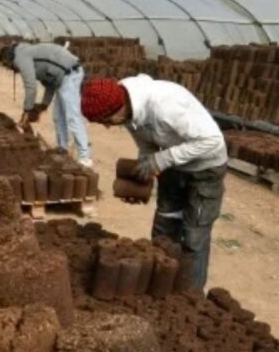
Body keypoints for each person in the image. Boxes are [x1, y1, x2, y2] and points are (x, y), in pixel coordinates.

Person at [80, 75, 228, 291]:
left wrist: (160, 160)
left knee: (194, 236)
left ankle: (191, 294)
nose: (108, 127)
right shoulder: (128, 111)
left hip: (205, 168)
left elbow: (212, 142)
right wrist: (143, 179)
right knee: (164, 227)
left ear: (119, 107)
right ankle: (161, 286)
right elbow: (147, 146)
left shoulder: (165, 106)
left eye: (106, 121)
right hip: (173, 164)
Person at [0, 42, 91, 167]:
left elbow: (31, 87)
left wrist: (27, 111)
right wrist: (44, 105)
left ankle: (85, 157)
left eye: (6, 64)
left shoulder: (20, 58)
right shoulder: (28, 57)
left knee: (72, 116)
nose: (8, 67)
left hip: (70, 74)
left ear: (8, 57)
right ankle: (62, 148)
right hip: (61, 77)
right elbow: (49, 83)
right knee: (58, 117)